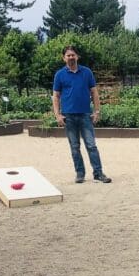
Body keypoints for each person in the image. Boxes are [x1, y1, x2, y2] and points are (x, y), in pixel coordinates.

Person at [52, 46, 111, 184]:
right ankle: (80, 173)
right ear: (64, 58)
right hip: (68, 116)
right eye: (68, 55)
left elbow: (94, 92)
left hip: (85, 114)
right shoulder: (59, 75)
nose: (71, 57)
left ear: (77, 56)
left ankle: (98, 173)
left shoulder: (87, 72)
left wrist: (97, 111)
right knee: (74, 147)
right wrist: (57, 115)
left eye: (73, 55)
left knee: (91, 145)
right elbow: (56, 96)